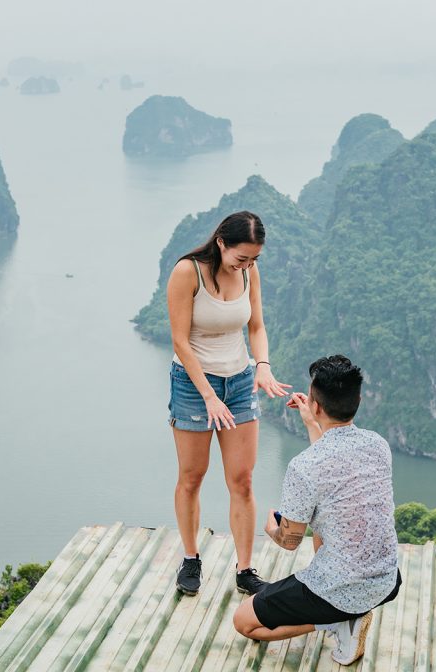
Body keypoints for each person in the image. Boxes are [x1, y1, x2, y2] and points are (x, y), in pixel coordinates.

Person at [232, 355, 401, 667]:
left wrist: (272, 526)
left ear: (316, 403)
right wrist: (312, 422)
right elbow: (331, 465)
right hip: (387, 581)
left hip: (341, 586)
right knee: (327, 523)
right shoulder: (379, 445)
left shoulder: (303, 467)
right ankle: (342, 611)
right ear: (358, 400)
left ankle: (338, 620)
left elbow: (289, 541)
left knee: (244, 622)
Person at [167, 210, 291, 596]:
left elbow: (256, 326)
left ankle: (245, 569)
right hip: (192, 385)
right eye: (241, 258)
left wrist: (263, 367)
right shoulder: (188, 272)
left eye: (254, 259)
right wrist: (207, 395)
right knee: (192, 476)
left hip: (238, 382)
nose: (247, 265)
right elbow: (180, 341)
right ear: (221, 243)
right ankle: (191, 558)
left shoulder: (251, 273)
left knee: (242, 479)